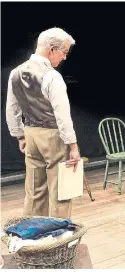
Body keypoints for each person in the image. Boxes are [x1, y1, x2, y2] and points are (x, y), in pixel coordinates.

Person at [5, 27, 80, 219]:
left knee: (34, 189)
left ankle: (34, 233)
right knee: (61, 189)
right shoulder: (51, 76)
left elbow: (12, 109)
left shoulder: (15, 73)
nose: (64, 57)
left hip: (30, 133)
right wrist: (73, 145)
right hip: (53, 135)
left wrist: (20, 135)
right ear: (52, 49)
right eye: (64, 52)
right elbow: (63, 115)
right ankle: (59, 235)